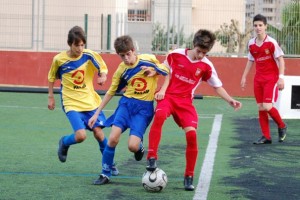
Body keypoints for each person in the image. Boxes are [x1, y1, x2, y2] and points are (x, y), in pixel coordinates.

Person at [145, 29, 242, 191]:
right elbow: (164, 68)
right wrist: (153, 71)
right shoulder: (176, 54)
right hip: (168, 97)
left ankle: (188, 176)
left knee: (192, 134)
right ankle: (151, 157)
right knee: (160, 115)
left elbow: (217, 86)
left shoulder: (206, 66)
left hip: (185, 103)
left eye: (204, 53)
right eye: (198, 51)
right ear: (193, 45)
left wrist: (230, 100)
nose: (200, 56)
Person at [88, 35, 169, 185]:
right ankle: (105, 173)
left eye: (128, 54)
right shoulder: (121, 69)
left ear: (133, 50)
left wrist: (156, 74)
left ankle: (139, 148)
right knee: (113, 138)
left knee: (132, 146)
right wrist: (97, 113)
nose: (126, 58)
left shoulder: (148, 59)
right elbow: (111, 91)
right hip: (125, 105)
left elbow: (166, 71)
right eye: (122, 55)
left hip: (144, 109)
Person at [47, 26, 119, 176]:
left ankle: (109, 164)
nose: (80, 48)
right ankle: (64, 142)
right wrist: (51, 96)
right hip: (71, 103)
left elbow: (103, 69)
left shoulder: (89, 55)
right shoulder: (59, 59)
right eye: (76, 45)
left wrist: (103, 77)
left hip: (90, 102)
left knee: (99, 134)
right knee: (81, 136)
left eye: (82, 45)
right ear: (70, 44)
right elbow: (51, 78)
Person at [240, 14, 287, 145]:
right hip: (258, 79)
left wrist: (281, 78)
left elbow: (281, 60)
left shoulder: (271, 42)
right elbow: (250, 60)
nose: (258, 28)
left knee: (267, 106)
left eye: (260, 25)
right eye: (255, 25)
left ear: (265, 26)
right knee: (260, 107)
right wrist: (244, 77)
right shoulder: (251, 43)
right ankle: (266, 136)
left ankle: (282, 125)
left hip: (271, 79)